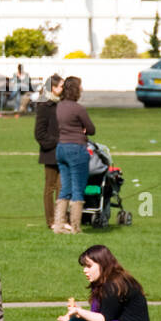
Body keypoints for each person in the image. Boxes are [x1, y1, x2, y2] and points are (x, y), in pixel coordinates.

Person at [55, 245, 152, 321]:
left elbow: (104, 319)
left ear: (102, 264)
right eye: (84, 266)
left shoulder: (114, 285)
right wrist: (79, 312)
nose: (85, 270)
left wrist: (79, 311)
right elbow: (106, 314)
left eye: (89, 266)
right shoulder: (111, 281)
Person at [54, 76, 95, 234]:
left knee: (65, 188)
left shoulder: (58, 107)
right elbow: (91, 129)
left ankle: (58, 225)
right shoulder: (78, 108)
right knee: (78, 189)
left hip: (61, 148)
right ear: (75, 90)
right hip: (76, 149)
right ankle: (76, 227)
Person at [34, 73, 64, 230]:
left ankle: (60, 219)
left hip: (62, 152)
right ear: (53, 88)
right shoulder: (44, 105)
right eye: (60, 86)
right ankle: (51, 220)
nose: (63, 89)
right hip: (50, 153)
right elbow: (39, 134)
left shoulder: (60, 103)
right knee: (50, 188)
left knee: (62, 187)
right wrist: (56, 142)